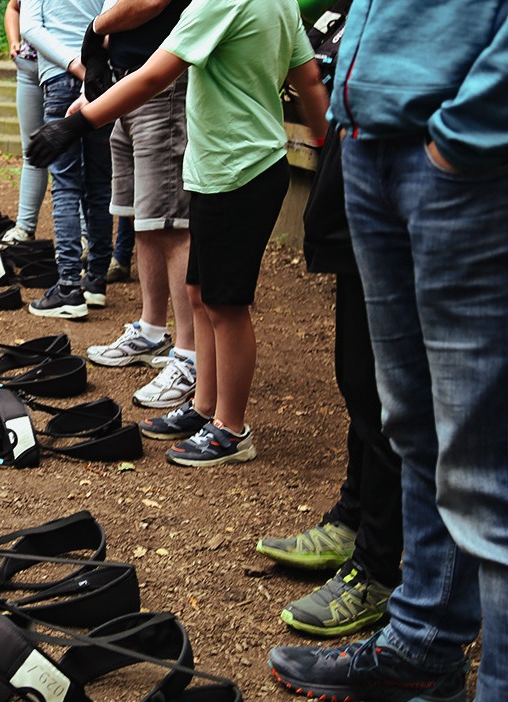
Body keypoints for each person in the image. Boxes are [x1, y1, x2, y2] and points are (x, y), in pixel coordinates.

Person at [267, 0, 508, 700]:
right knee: (412, 424)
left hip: (464, 158)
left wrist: (465, 134)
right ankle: (425, 644)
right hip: (373, 142)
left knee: (487, 460)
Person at [28, 0, 329, 467]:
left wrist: (78, 122)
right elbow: (307, 77)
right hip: (220, 169)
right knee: (199, 292)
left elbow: (152, 76)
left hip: (240, 171)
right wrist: (326, 140)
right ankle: (204, 406)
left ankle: (231, 430)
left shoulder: (221, 2)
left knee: (226, 305)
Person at [255, 0, 403, 640]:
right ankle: (354, 518)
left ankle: (381, 564)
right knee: (357, 380)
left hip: (408, 203)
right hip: (357, 206)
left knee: (393, 401)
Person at [81, 0, 201, 414]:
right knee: (144, 220)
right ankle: (151, 331)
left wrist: (96, 28)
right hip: (128, 84)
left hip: (161, 87)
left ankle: (190, 357)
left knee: (171, 223)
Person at [20, 0, 114, 319]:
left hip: (61, 78)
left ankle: (68, 287)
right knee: (100, 185)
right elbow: (113, 17)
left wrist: (75, 64)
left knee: (65, 184)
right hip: (104, 80)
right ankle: (96, 282)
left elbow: (30, 26)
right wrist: (94, 66)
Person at [1, 0, 48, 245]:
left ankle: (84, 237)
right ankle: (24, 228)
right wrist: (13, 41)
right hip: (29, 69)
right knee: (32, 150)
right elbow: (13, 8)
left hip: (66, 70)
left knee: (76, 157)